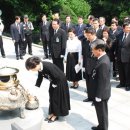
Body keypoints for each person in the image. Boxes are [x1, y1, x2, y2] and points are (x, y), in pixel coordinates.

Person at [25, 56, 70, 123]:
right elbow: (40, 77)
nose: (32, 70)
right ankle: (52, 112)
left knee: (56, 98)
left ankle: (56, 115)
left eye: (32, 68)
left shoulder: (48, 66)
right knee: (51, 96)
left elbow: (57, 76)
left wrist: (55, 85)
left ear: (36, 64)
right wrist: (37, 86)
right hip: (54, 81)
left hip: (60, 82)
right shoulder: (40, 67)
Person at [90, 41, 111, 130]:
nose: (92, 52)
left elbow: (103, 81)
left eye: (93, 50)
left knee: (102, 113)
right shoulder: (102, 58)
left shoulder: (103, 63)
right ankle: (101, 126)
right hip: (99, 92)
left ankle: (103, 128)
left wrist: (98, 95)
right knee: (100, 112)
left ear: (99, 50)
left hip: (101, 94)